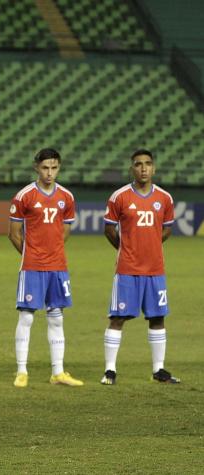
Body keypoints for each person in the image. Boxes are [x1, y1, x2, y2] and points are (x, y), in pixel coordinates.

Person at [102, 150, 179, 385]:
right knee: (118, 317)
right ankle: (110, 371)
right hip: (127, 270)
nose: (143, 168)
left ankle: (159, 370)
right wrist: (126, 248)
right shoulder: (120, 197)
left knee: (157, 318)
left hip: (155, 270)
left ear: (153, 168)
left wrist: (152, 245)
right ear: (132, 169)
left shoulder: (164, 198)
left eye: (147, 164)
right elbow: (109, 229)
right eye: (138, 164)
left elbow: (166, 229)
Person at [8, 149, 83, 387]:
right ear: (36, 168)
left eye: (54, 168)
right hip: (32, 266)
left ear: (59, 168)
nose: (49, 173)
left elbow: (66, 230)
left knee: (57, 318)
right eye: (45, 168)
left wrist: (52, 252)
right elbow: (14, 233)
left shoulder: (66, 197)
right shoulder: (24, 196)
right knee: (27, 317)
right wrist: (32, 254)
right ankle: (21, 371)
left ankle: (58, 372)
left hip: (58, 266)